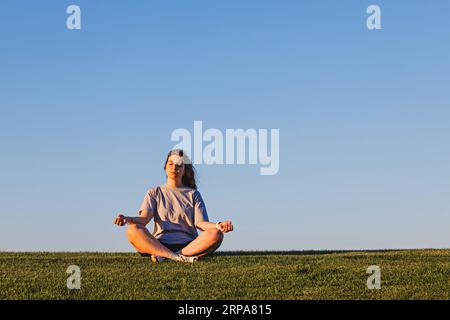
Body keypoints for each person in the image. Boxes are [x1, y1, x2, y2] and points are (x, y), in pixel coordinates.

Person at [114, 149, 234, 263]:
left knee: (216, 234)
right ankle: (176, 257)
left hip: (189, 245)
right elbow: (144, 219)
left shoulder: (193, 194)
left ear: (184, 170)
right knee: (132, 229)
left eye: (179, 165)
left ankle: (170, 255)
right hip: (158, 243)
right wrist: (127, 219)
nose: (174, 167)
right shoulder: (154, 192)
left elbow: (201, 223)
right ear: (165, 167)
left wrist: (218, 225)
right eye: (170, 164)